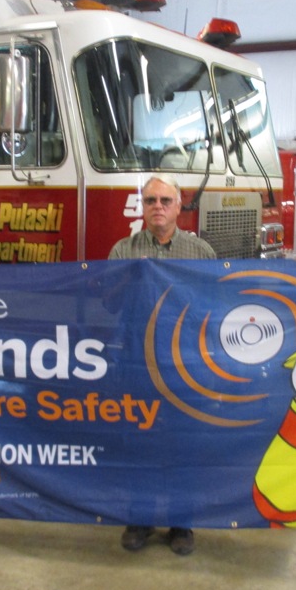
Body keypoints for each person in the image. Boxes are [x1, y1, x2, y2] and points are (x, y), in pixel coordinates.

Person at [108, 174, 216, 555]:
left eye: (165, 201)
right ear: (142, 205)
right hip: (137, 363)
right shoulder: (123, 250)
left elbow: (213, 306)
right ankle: (139, 519)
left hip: (184, 365)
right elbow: (109, 302)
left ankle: (181, 523)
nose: (158, 207)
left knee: (183, 444)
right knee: (139, 442)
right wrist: (130, 279)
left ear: (178, 205)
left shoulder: (201, 252)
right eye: (151, 200)